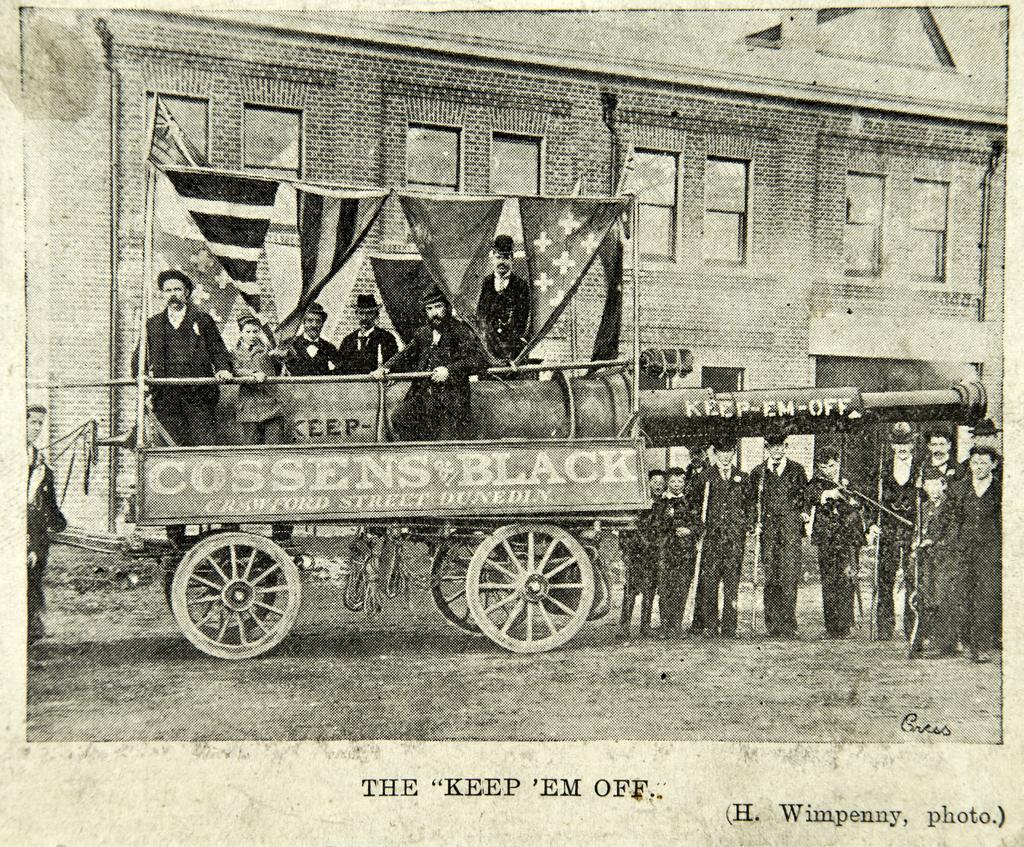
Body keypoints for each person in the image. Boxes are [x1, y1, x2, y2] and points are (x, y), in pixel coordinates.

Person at [374, 285, 488, 441]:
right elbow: (406, 353)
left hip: (450, 401)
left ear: (447, 308)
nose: (434, 313)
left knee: (445, 444)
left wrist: (449, 370)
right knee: (399, 417)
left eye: (438, 307)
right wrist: (386, 367)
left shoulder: (460, 331)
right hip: (422, 398)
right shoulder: (423, 333)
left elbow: (479, 360)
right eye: (429, 308)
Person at [133, 269, 233, 447]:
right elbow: (139, 358)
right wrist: (144, 384)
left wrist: (223, 369)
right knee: (171, 447)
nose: (173, 294)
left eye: (177, 290)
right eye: (168, 291)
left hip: (199, 396)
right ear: (163, 294)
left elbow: (218, 350)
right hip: (166, 397)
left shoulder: (203, 320)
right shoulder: (153, 324)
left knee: (204, 446)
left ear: (186, 292)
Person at [688, 436, 752, 639]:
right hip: (712, 539)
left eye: (729, 452)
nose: (725, 456)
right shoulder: (704, 477)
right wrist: (699, 528)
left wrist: (749, 523)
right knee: (710, 582)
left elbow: (750, 505)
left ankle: (729, 627)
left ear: (734, 453)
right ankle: (710, 625)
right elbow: (694, 507)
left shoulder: (743, 477)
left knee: (732, 583)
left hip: (734, 538)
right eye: (721, 452)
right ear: (715, 453)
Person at [749, 429, 808, 639]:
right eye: (771, 447)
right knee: (772, 577)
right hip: (768, 532)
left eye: (780, 446)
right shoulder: (759, 473)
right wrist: (754, 523)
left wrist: (804, 513)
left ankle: (788, 624)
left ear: (786, 447)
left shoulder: (797, 470)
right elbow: (751, 502)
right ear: (766, 449)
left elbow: (805, 498)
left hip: (790, 531)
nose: (776, 450)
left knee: (789, 577)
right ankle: (772, 624)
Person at [946, 446, 1001, 663]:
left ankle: (982, 646)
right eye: (974, 462)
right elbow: (949, 517)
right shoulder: (960, 489)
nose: (978, 467)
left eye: (983, 463)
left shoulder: (1000, 490)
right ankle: (967, 639)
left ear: (993, 465)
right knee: (964, 594)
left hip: (990, 550)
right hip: (964, 549)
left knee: (986, 596)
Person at [805, 448, 864, 640]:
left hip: (848, 536)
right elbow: (812, 496)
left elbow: (862, 500)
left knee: (847, 578)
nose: (828, 471)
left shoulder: (851, 479)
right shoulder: (816, 482)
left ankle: (846, 623)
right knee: (829, 579)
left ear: (838, 462)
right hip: (827, 538)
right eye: (823, 467)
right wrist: (830, 493)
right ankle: (832, 625)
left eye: (831, 466)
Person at [869, 425, 919, 641]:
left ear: (912, 445)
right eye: (898, 444)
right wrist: (872, 523)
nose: (902, 448)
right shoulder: (882, 469)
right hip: (888, 528)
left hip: (910, 528)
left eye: (906, 443)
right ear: (892, 446)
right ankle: (884, 628)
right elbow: (872, 498)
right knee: (884, 578)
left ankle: (911, 627)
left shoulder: (920, 468)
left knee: (911, 577)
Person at [27, 404, 67, 644]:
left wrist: (56, 520)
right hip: (22, 529)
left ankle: (31, 625)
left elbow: (47, 496)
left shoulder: (38, 458)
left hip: (37, 529)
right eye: (33, 422)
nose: (37, 428)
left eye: (40, 424)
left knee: (35, 575)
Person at [914, 464, 957, 658]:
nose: (931, 489)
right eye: (927, 485)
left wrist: (934, 542)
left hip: (946, 559)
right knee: (926, 597)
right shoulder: (924, 507)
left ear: (943, 485)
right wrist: (916, 544)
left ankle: (946, 644)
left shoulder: (951, 507)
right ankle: (928, 638)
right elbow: (919, 530)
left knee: (943, 598)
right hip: (926, 560)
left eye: (935, 484)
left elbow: (953, 535)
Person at [617, 469, 665, 640]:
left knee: (650, 589)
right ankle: (623, 627)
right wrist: (624, 550)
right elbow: (626, 528)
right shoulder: (638, 502)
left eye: (661, 483)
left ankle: (645, 626)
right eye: (655, 482)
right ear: (648, 483)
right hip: (635, 552)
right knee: (630, 589)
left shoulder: (663, 505)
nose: (658, 486)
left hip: (653, 553)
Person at [652, 466, 696, 638]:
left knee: (681, 587)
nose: (677, 484)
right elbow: (654, 526)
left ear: (684, 483)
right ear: (667, 483)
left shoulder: (689, 502)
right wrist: (666, 518)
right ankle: (665, 626)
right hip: (665, 551)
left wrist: (689, 530)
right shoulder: (660, 503)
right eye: (673, 481)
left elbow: (699, 524)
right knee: (664, 588)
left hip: (685, 552)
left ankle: (676, 625)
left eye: (680, 481)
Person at [231, 313, 284, 445]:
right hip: (248, 408)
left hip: (271, 407)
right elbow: (235, 370)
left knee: (275, 448)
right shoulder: (234, 353)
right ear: (241, 333)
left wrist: (278, 357)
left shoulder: (267, 351)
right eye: (248, 331)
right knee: (252, 451)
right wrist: (253, 373)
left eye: (255, 331)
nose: (252, 335)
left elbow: (280, 365)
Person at [477, 234, 530, 362]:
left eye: (506, 257)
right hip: (489, 349)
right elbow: (480, 314)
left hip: (513, 349)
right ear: (492, 258)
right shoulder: (485, 283)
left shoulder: (521, 286)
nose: (502, 262)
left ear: (512, 259)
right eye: (498, 257)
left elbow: (523, 319)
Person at [334, 294, 398, 375]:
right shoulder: (348, 340)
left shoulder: (386, 337)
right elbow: (340, 369)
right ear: (356, 315)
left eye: (369, 313)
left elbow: (394, 366)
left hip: (377, 385)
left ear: (376, 315)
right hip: (351, 386)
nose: (364, 317)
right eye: (361, 313)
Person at [282, 302, 338, 377]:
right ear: (303, 322)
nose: (314, 325)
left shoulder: (329, 348)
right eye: (310, 321)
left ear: (322, 324)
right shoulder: (290, 345)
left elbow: (339, 372)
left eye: (318, 321)